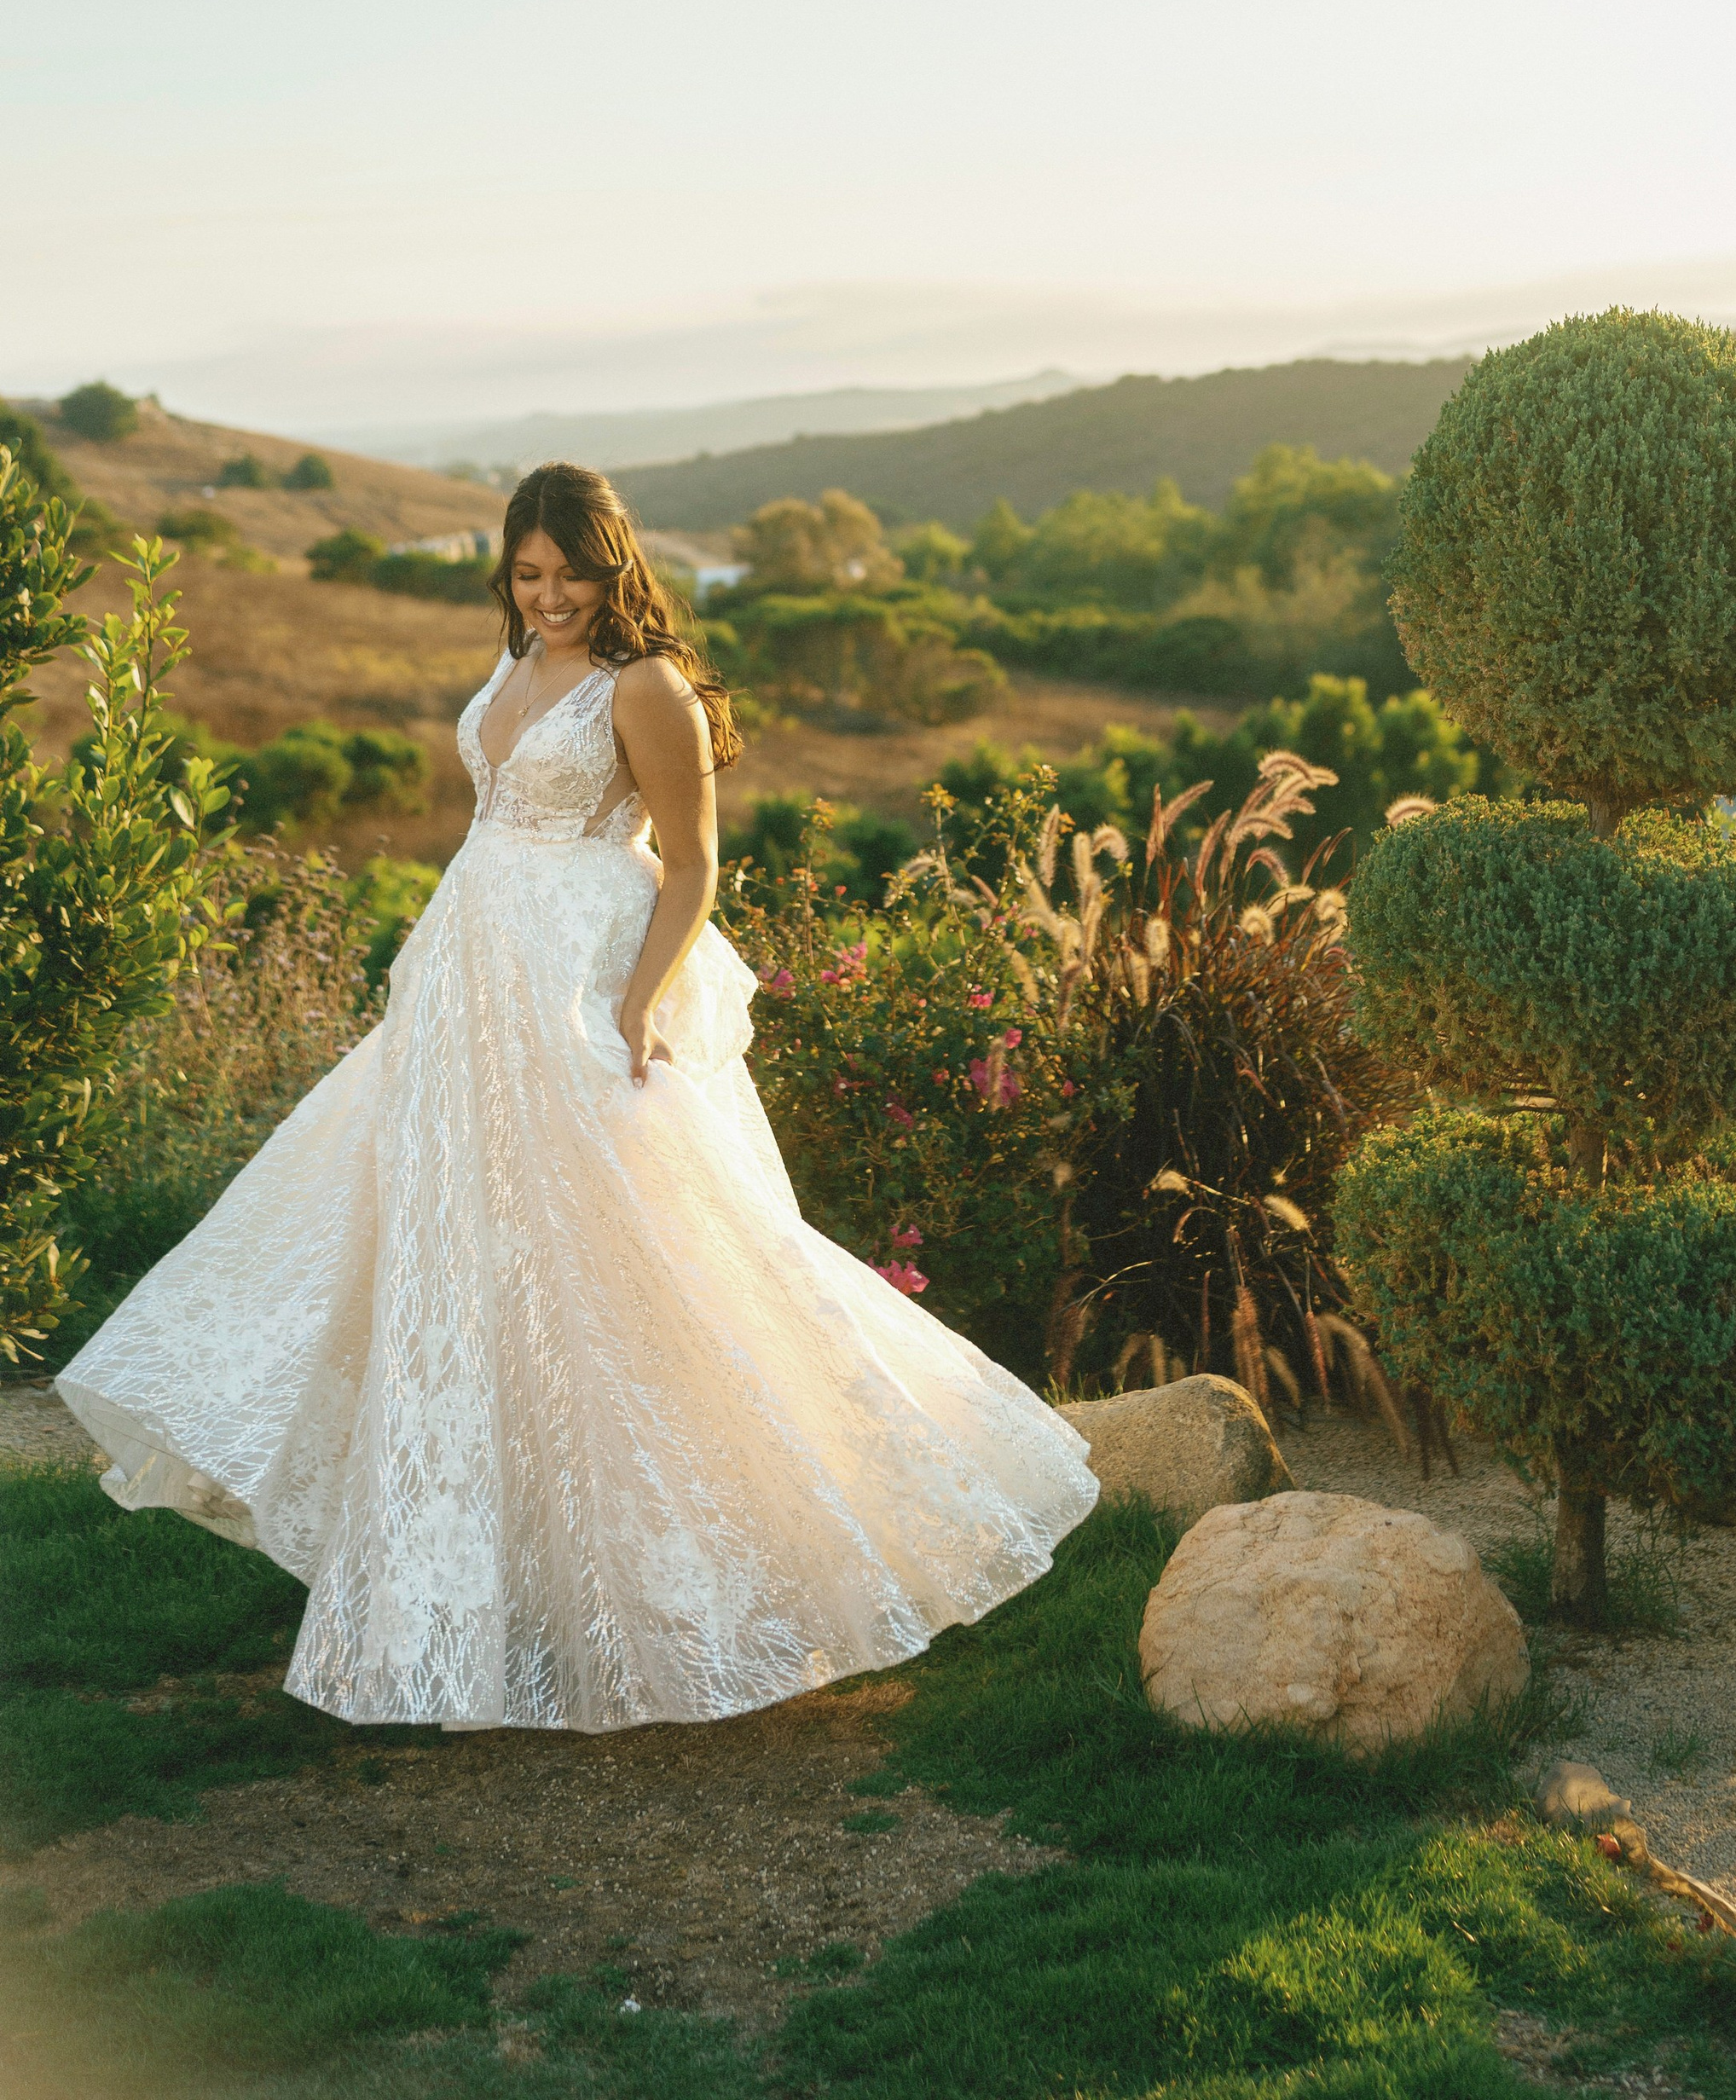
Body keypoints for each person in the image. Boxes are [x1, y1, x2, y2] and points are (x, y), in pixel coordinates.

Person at [60, 463, 1097, 1733]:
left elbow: (695, 862)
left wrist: (643, 1000)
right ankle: (478, 1578)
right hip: (463, 989)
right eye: (527, 574)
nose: (546, 596)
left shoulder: (645, 687)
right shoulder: (512, 669)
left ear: (617, 566)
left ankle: (785, 1528)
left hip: (573, 989)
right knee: (455, 1262)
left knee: (644, 1263)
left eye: (570, 574)